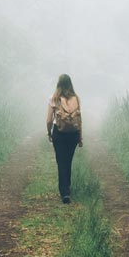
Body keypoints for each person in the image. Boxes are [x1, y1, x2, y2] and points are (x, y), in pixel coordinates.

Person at [45, 73, 84, 204]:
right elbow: (79, 119)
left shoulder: (53, 98)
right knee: (68, 161)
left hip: (59, 133)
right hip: (73, 133)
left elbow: (49, 120)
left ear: (58, 84)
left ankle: (65, 192)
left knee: (61, 162)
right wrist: (80, 137)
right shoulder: (76, 99)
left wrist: (49, 133)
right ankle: (67, 188)